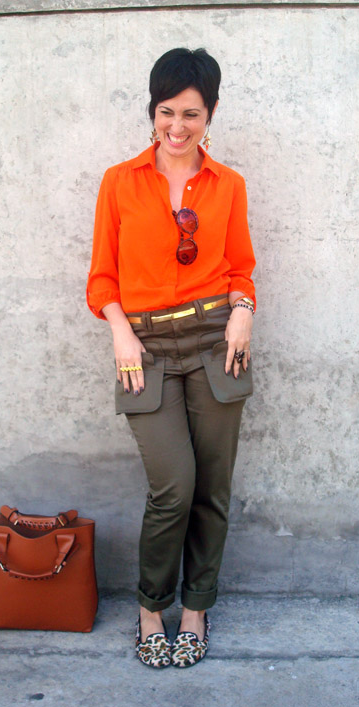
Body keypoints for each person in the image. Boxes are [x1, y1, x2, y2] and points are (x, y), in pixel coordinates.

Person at [86, 47, 256, 668]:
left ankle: (195, 610)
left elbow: (241, 268)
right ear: (152, 110)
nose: (177, 126)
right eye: (166, 111)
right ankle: (150, 608)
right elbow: (101, 277)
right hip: (145, 347)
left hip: (216, 341)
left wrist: (243, 311)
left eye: (191, 113)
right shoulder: (119, 182)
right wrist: (120, 331)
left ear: (211, 114)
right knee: (174, 488)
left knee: (212, 488)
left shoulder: (228, 185)